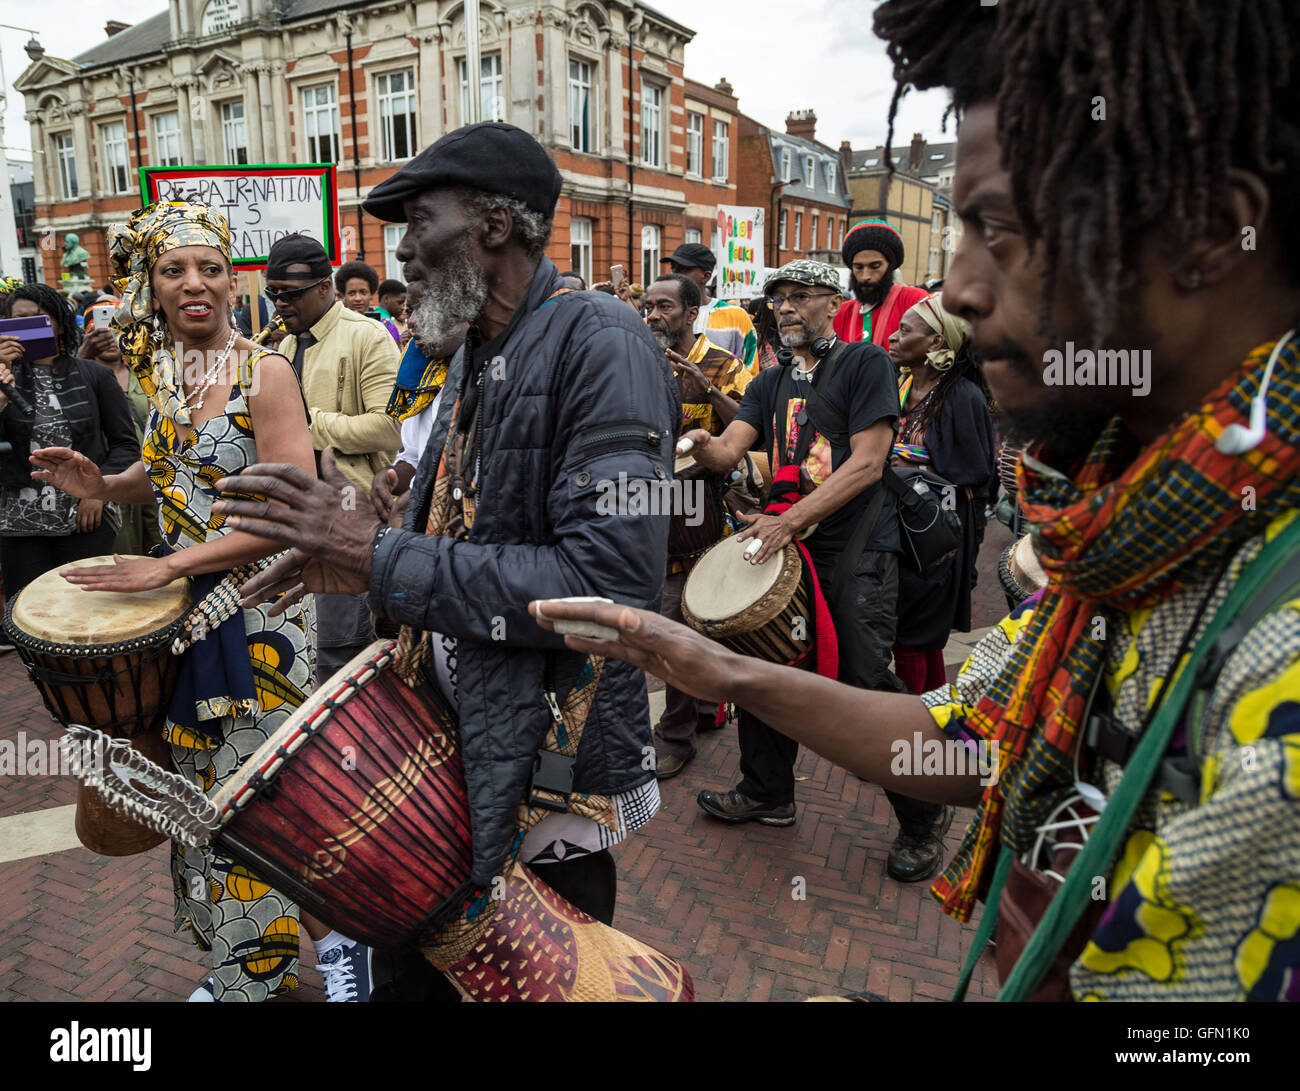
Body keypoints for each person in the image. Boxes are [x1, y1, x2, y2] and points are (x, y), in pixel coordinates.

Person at [536, 0, 1300, 1002]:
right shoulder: (1132, 551)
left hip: (857, 548)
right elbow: (970, 737)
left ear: (1207, 234)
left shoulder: (1275, 641)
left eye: (999, 229)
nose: (959, 289)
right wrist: (707, 659)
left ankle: (906, 835)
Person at [216, 121, 678, 1001]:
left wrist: (382, 554)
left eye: (419, 221)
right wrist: (355, 542)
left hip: (547, 772)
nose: (403, 254)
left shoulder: (606, 341)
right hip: (464, 751)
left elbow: (611, 586)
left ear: (495, 226)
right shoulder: (478, 354)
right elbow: (449, 535)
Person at [25, 201, 372, 1002]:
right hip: (186, 605)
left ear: (230, 281)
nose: (195, 284)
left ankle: (306, 953)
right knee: (200, 797)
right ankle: (241, 964)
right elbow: (178, 471)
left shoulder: (266, 371)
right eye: (175, 269)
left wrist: (167, 564)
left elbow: (293, 510)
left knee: (253, 799)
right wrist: (108, 483)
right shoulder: (167, 373)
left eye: (210, 268)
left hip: (260, 613)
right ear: (151, 284)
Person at [676, 258, 954, 881]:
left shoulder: (864, 363)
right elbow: (728, 449)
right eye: (779, 299)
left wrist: (786, 519)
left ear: (834, 302)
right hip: (791, 538)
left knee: (863, 680)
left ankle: (924, 810)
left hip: (855, 543)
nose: (787, 308)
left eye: (801, 296)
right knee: (763, 663)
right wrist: (695, 442)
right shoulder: (771, 381)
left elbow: (869, 463)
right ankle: (768, 792)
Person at [266, 234, 400, 686]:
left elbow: (390, 428)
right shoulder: (282, 349)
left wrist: (307, 423)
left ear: (326, 287)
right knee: (303, 654)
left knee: (340, 658)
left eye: (291, 293)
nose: (280, 303)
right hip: (295, 522)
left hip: (349, 523)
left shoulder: (368, 336)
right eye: (273, 294)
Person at [643, 272, 756, 779]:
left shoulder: (724, 365)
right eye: (648, 305)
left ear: (692, 313)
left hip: (698, 513)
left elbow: (748, 431)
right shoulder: (640, 360)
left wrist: (706, 388)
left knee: (680, 622)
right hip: (646, 507)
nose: (654, 314)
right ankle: (704, 710)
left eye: (665, 306)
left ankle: (675, 735)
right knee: (673, 619)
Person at [886, 293, 996, 694]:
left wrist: (907, 466)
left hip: (936, 540)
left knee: (911, 637)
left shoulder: (960, 396)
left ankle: (911, 727)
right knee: (921, 637)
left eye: (905, 330)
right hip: (902, 530)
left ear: (936, 342)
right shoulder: (901, 385)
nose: (893, 338)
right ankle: (935, 721)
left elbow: (973, 474)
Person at [0, 284, 136, 596]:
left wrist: (99, 490)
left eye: (41, 319)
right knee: (30, 614)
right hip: (20, 527)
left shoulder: (95, 375)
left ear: (60, 324)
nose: (30, 328)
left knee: (88, 611)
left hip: (84, 519)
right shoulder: (4, 379)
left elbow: (126, 444)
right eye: (20, 320)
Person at [77, 296, 162, 558]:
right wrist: (82, 357)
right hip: (108, 477)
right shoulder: (83, 378)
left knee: (154, 544)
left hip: (149, 474)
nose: (110, 339)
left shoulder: (145, 373)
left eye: (116, 331)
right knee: (122, 552)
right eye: (100, 333)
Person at [832, 219, 929, 349]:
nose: (866, 276)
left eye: (875, 266)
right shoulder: (841, 313)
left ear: (890, 266)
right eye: (858, 267)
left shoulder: (915, 301)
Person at [663, 243, 758, 371]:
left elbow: (750, 369)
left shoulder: (735, 316)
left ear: (706, 276)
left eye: (684, 270)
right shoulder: (663, 315)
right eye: (674, 269)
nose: (675, 276)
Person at [376, 278, 409, 345]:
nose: (403, 307)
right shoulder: (388, 323)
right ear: (386, 299)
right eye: (400, 302)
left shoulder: (373, 317)